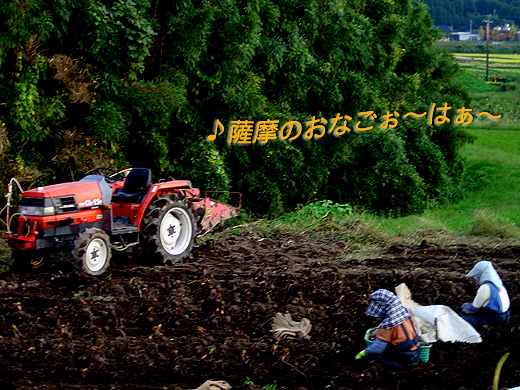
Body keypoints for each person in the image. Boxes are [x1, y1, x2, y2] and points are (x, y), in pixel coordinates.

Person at [355, 289, 420, 368]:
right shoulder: (407, 315)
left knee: (373, 361)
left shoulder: (388, 325)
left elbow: (377, 349)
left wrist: (363, 353)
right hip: (416, 353)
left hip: (402, 359)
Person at [461, 261, 510, 329]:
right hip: (506, 315)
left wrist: (462, 307)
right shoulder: (499, 284)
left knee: (463, 320)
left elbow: (474, 309)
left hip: (495, 318)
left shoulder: (485, 287)